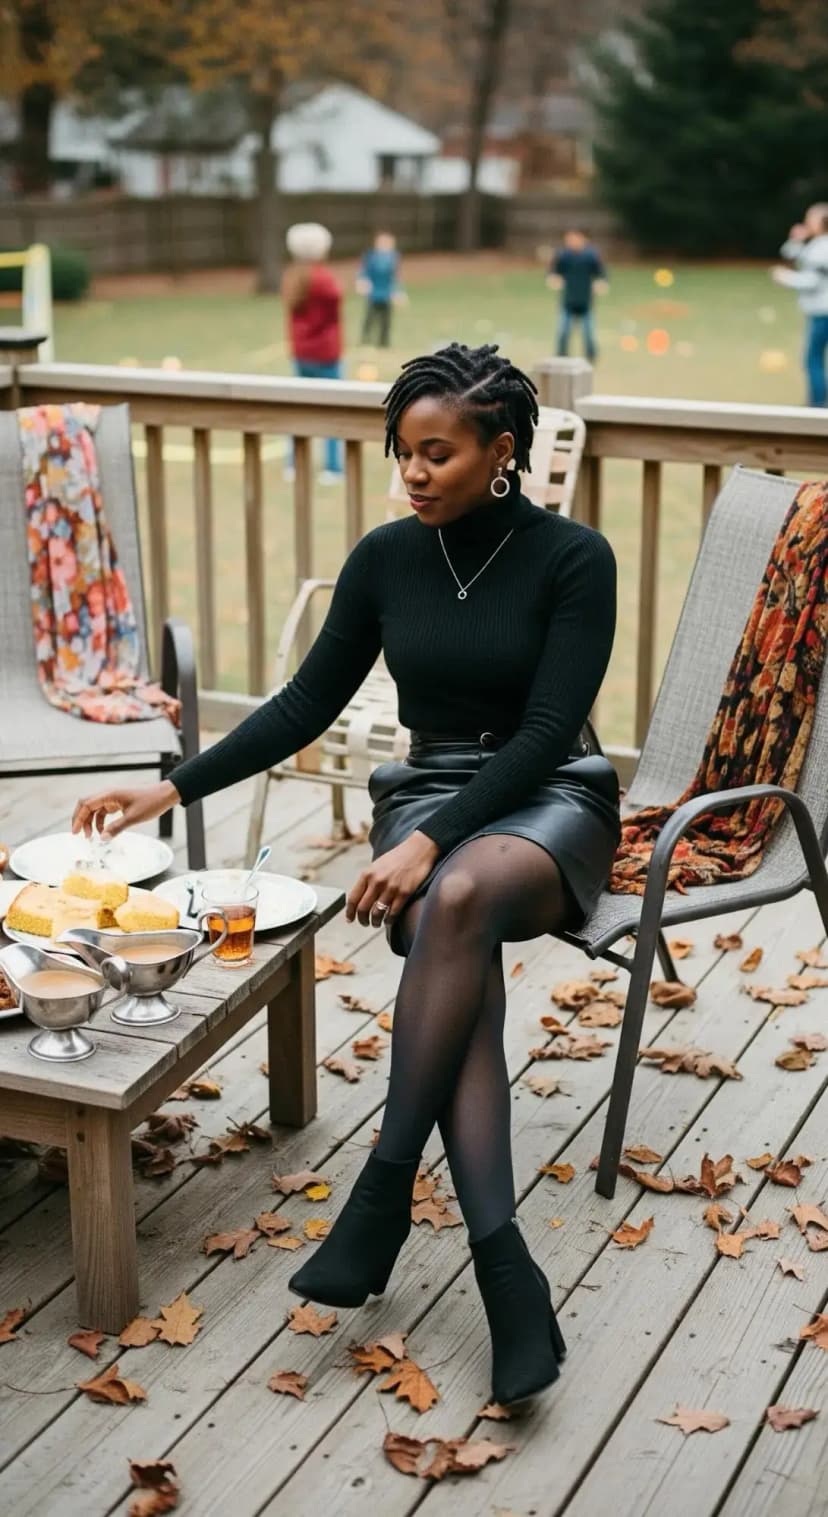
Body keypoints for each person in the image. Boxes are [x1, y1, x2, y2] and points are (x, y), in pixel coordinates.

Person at [72, 342, 620, 1407]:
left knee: (452, 894)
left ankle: (383, 1187)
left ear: (501, 453)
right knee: (453, 933)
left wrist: (428, 842)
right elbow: (302, 703)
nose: (413, 474)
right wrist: (172, 786)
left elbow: (551, 728)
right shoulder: (386, 557)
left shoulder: (574, 558)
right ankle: (509, 1277)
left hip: (550, 793)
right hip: (429, 790)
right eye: (400, 452)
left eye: (437, 453)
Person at [282, 221, 343, 481]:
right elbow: (334, 306)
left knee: (298, 406)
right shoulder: (324, 279)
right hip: (326, 354)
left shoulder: (292, 277)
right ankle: (332, 468)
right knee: (332, 409)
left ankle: (292, 464)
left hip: (301, 352)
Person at [772, 203, 828, 408]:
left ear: (822, 222)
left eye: (810, 218)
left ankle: (818, 404)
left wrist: (784, 277)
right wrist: (796, 239)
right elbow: (790, 255)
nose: (806, 222)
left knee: (812, 359)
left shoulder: (821, 248)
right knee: (815, 358)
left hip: (823, 313)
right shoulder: (817, 245)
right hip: (820, 312)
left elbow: (812, 281)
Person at [547, 228, 608, 363]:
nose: (572, 242)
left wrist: (601, 283)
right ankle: (561, 357)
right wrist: (553, 279)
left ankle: (591, 357)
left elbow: (602, 273)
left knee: (589, 334)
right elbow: (553, 272)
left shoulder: (591, 256)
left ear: (583, 239)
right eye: (569, 239)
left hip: (586, 302)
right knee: (563, 332)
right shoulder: (563, 256)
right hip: (567, 302)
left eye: (575, 238)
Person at [357, 231, 402, 348]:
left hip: (386, 294)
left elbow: (395, 277)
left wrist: (397, 293)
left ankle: (383, 342)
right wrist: (362, 282)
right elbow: (364, 272)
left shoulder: (393, 258)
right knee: (370, 318)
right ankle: (365, 339)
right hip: (374, 293)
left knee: (386, 321)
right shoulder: (371, 256)